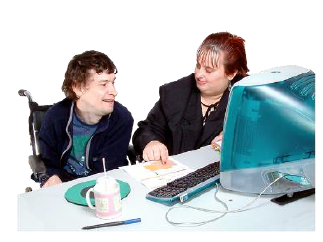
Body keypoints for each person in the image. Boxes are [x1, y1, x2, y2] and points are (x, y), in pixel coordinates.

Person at [132, 32, 249, 164]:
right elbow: (146, 129)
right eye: (198, 66)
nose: (199, 74)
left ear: (231, 73)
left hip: (221, 177)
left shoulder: (248, 98)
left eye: (209, 70)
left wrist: (236, 140)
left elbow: (261, 140)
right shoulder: (175, 93)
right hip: (174, 175)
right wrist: (151, 142)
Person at [39, 50, 134, 187]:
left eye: (113, 83)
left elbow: (107, 172)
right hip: (63, 186)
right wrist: (52, 177)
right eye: (103, 84)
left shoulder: (121, 119)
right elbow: (49, 164)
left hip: (103, 186)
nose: (114, 91)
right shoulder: (55, 117)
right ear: (78, 88)